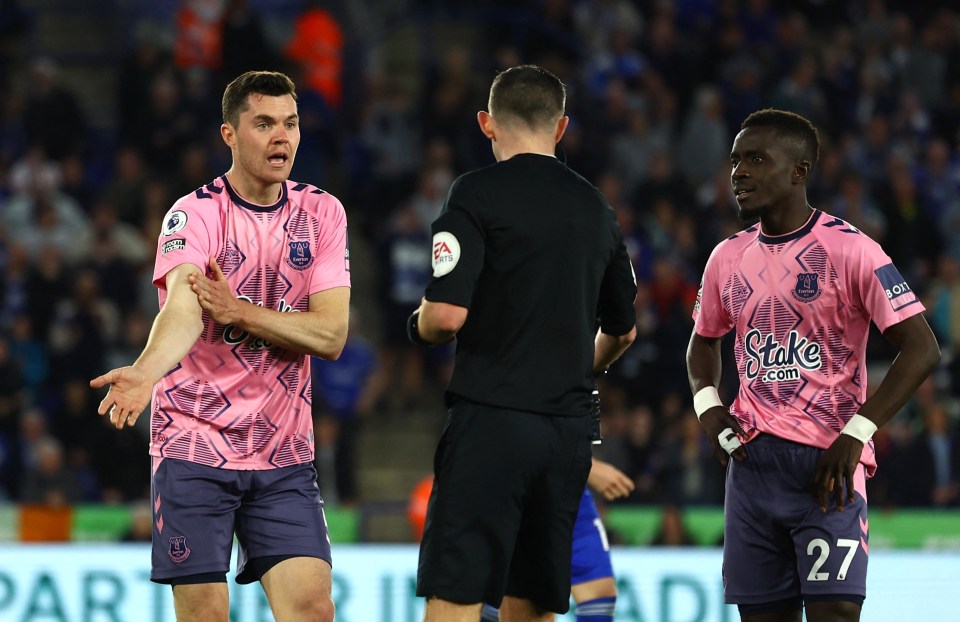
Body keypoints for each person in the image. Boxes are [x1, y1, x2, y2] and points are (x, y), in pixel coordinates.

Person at [89, 70, 350, 622]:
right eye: (264, 124)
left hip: (283, 453)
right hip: (194, 445)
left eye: (291, 123)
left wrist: (238, 313)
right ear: (229, 134)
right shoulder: (195, 214)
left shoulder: (323, 212)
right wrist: (145, 372)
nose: (283, 137)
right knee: (206, 614)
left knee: (313, 608)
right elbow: (184, 308)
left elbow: (330, 335)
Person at [685, 108, 940, 622]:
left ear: (799, 171)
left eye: (756, 159)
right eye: (735, 161)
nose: (739, 173)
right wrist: (708, 406)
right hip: (752, 469)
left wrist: (857, 433)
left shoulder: (853, 250)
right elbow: (701, 345)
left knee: (837, 614)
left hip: (828, 467)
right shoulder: (726, 258)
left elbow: (922, 348)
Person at [407, 64, 638, 622]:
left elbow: (445, 316)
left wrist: (416, 324)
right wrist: (577, 371)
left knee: (458, 594)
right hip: (565, 436)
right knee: (533, 602)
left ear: (487, 123)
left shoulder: (476, 193)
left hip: (491, 424)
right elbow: (624, 328)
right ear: (561, 128)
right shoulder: (596, 207)